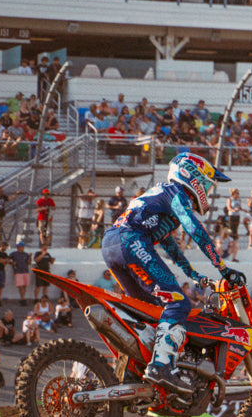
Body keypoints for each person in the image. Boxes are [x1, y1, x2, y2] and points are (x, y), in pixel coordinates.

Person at [101, 153, 243, 394]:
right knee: (178, 303)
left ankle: (134, 368)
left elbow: (169, 245)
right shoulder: (177, 194)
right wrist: (223, 268)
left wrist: (194, 274)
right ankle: (161, 366)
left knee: (149, 309)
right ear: (192, 177)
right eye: (207, 184)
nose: (207, 190)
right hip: (130, 241)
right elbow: (195, 229)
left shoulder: (162, 194)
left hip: (112, 244)